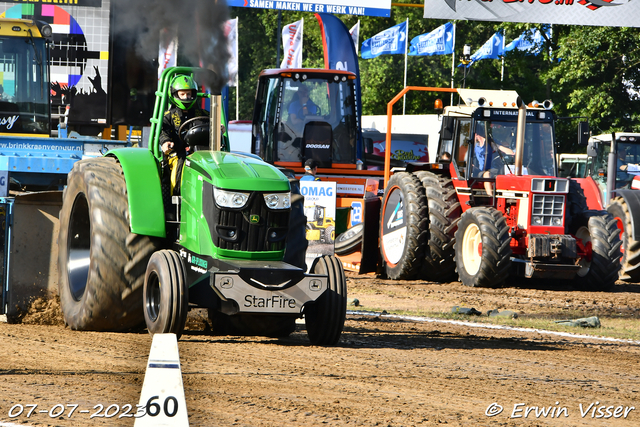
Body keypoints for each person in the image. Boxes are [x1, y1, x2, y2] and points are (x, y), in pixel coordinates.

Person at [159, 74, 207, 196]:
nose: (186, 97)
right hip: (177, 153)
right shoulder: (168, 116)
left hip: (201, 154)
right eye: (183, 94)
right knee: (180, 165)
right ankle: (176, 198)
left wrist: (219, 128)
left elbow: (213, 126)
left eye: (189, 94)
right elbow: (162, 132)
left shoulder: (202, 114)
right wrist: (165, 142)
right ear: (175, 95)